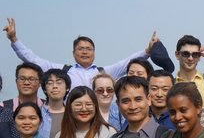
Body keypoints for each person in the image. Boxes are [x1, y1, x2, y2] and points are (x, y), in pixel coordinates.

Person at [3, 18, 157, 90]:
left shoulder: (103, 72)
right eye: (80, 48)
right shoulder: (64, 71)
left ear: (94, 53)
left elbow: (128, 62)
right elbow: (33, 60)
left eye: (89, 48)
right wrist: (14, 39)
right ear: (73, 52)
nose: (85, 52)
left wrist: (147, 51)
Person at [0, 62, 45, 138]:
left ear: (40, 83)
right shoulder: (3, 107)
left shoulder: (47, 107)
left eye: (31, 79)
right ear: (16, 81)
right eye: (22, 79)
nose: (26, 83)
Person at [174, 35, 204, 108]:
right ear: (177, 55)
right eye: (186, 54)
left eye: (195, 54)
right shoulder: (171, 84)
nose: (190, 58)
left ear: (200, 56)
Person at [39, 69, 71, 138]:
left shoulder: (73, 114)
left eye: (59, 82)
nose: (55, 86)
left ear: (67, 88)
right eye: (50, 83)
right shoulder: (37, 112)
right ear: (44, 89)